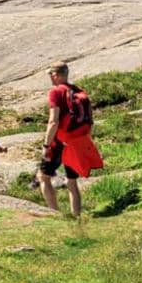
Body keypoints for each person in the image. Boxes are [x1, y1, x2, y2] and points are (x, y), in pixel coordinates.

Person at [37, 61, 103, 218]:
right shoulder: (79, 91)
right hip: (76, 141)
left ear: (55, 75)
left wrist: (46, 144)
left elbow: (53, 121)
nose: (51, 78)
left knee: (43, 177)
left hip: (59, 141)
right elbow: (90, 121)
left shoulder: (56, 92)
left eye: (51, 75)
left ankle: (55, 214)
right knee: (71, 181)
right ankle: (77, 216)